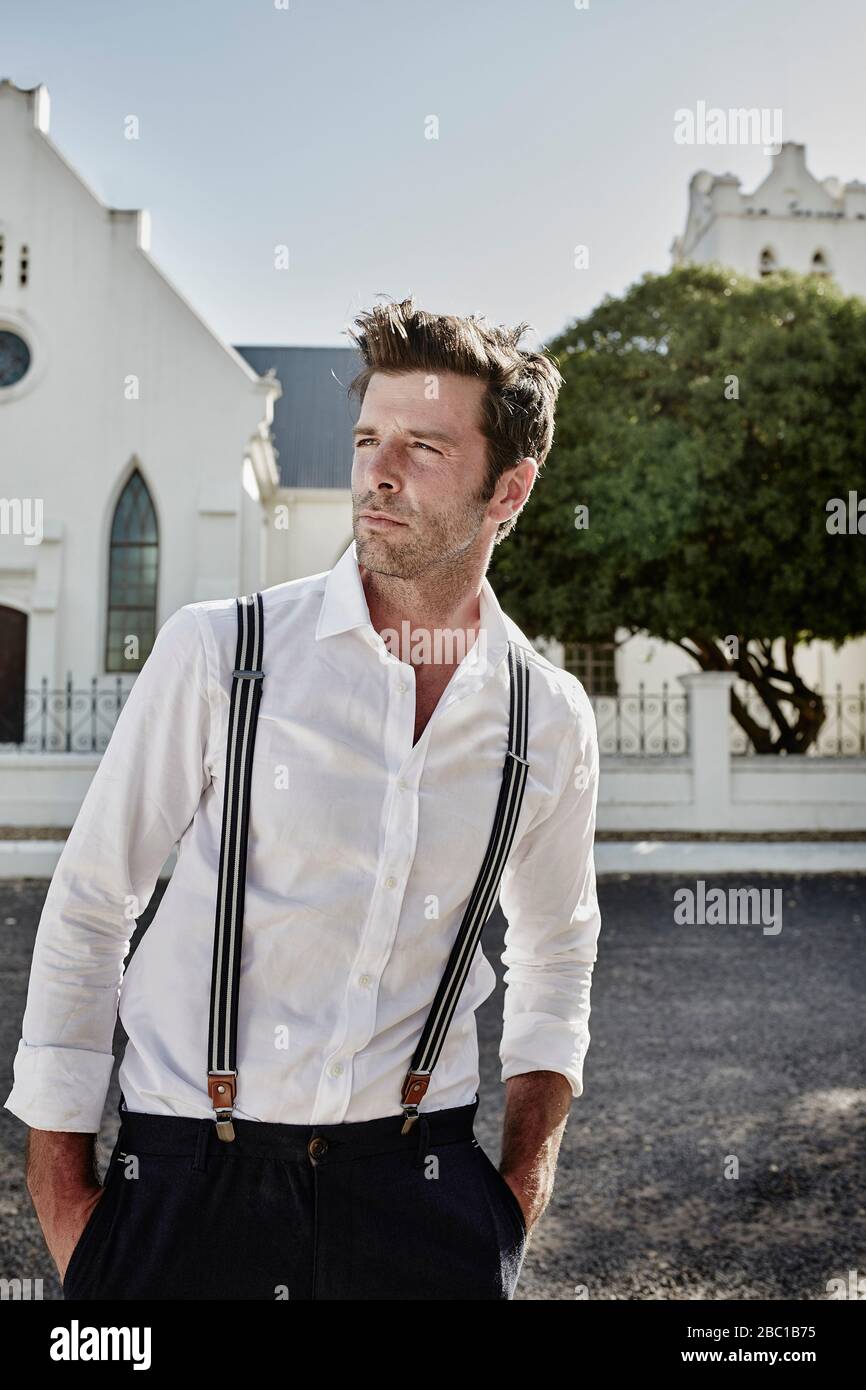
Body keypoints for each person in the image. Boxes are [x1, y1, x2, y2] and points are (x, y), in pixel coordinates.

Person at [5, 296, 602, 1300]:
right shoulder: (221, 652)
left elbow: (556, 948)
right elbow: (92, 901)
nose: (376, 469)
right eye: (369, 437)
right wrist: (65, 1196)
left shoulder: (545, 715)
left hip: (421, 1192)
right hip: (189, 1185)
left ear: (509, 490)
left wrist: (515, 1188)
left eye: (423, 448)